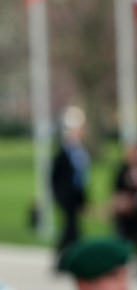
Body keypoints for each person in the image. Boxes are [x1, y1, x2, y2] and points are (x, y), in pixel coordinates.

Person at [51, 106, 90, 256]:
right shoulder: (63, 153)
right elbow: (55, 176)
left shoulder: (80, 151)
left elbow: (83, 176)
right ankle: (66, 257)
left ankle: (70, 257)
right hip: (66, 196)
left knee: (72, 228)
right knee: (71, 228)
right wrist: (58, 194)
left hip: (76, 195)